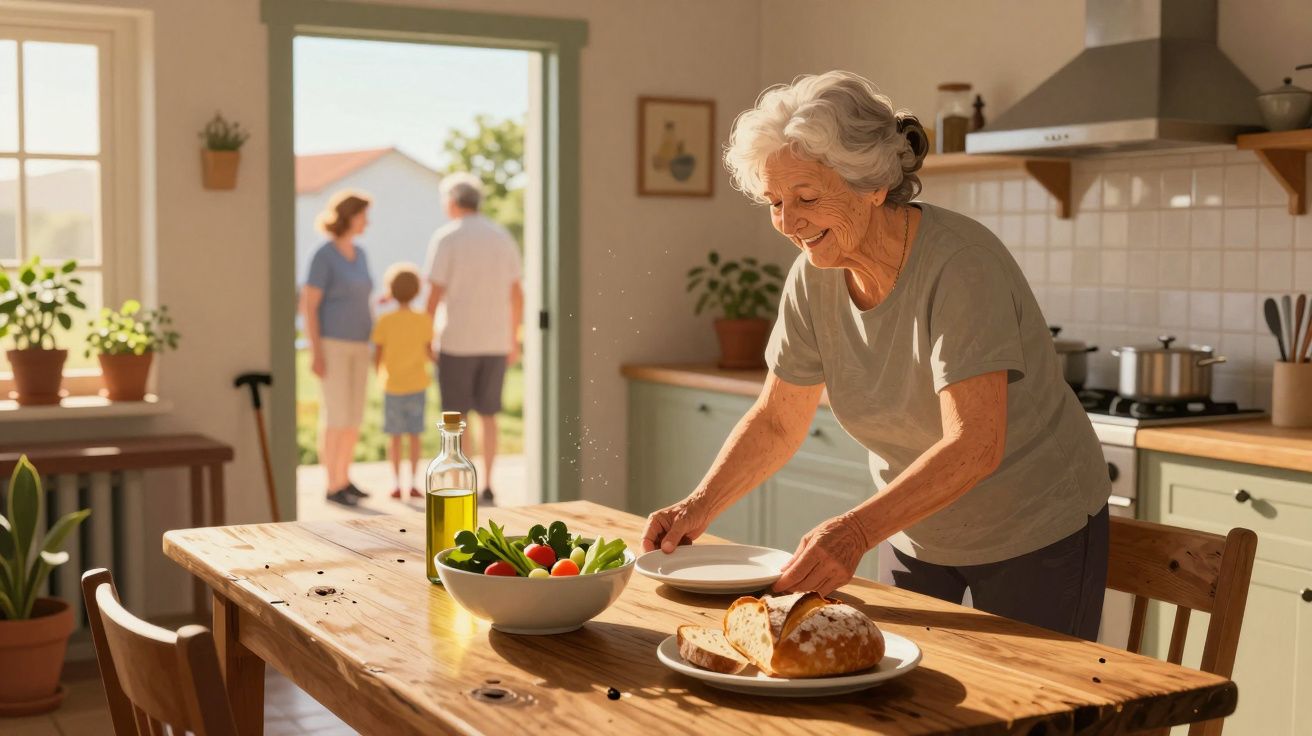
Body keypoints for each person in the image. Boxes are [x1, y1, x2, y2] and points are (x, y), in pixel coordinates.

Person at [641, 71, 1111, 640]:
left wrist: (854, 533)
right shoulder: (814, 276)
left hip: (1034, 528)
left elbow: (976, 443)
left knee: (1035, 720)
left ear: (873, 184)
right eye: (775, 202)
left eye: (808, 197)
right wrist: (698, 505)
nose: (789, 223)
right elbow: (777, 419)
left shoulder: (961, 266)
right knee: (904, 706)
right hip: (914, 528)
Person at [424, 172, 523, 504]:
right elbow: (517, 294)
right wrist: (514, 338)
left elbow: (434, 293)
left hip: (457, 342)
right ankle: (489, 483)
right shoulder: (502, 237)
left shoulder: (447, 238)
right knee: (490, 415)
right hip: (495, 342)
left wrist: (426, 336)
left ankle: (460, 483)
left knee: (456, 419)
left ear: (452, 202)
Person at [302, 190, 375, 507]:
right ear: (349, 215)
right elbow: (309, 305)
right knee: (336, 415)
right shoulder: (324, 255)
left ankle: (345, 477)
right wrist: (315, 351)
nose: (367, 222)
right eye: (363, 215)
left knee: (354, 416)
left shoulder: (360, 254)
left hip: (361, 345)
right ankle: (332, 484)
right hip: (332, 345)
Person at [372, 263, 434, 500]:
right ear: (418, 290)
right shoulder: (423, 319)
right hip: (418, 385)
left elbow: (377, 352)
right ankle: (415, 482)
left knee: (395, 437)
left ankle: (397, 484)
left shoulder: (385, 320)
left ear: (390, 290)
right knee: (415, 435)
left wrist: (378, 373)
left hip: (393, 386)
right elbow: (429, 351)